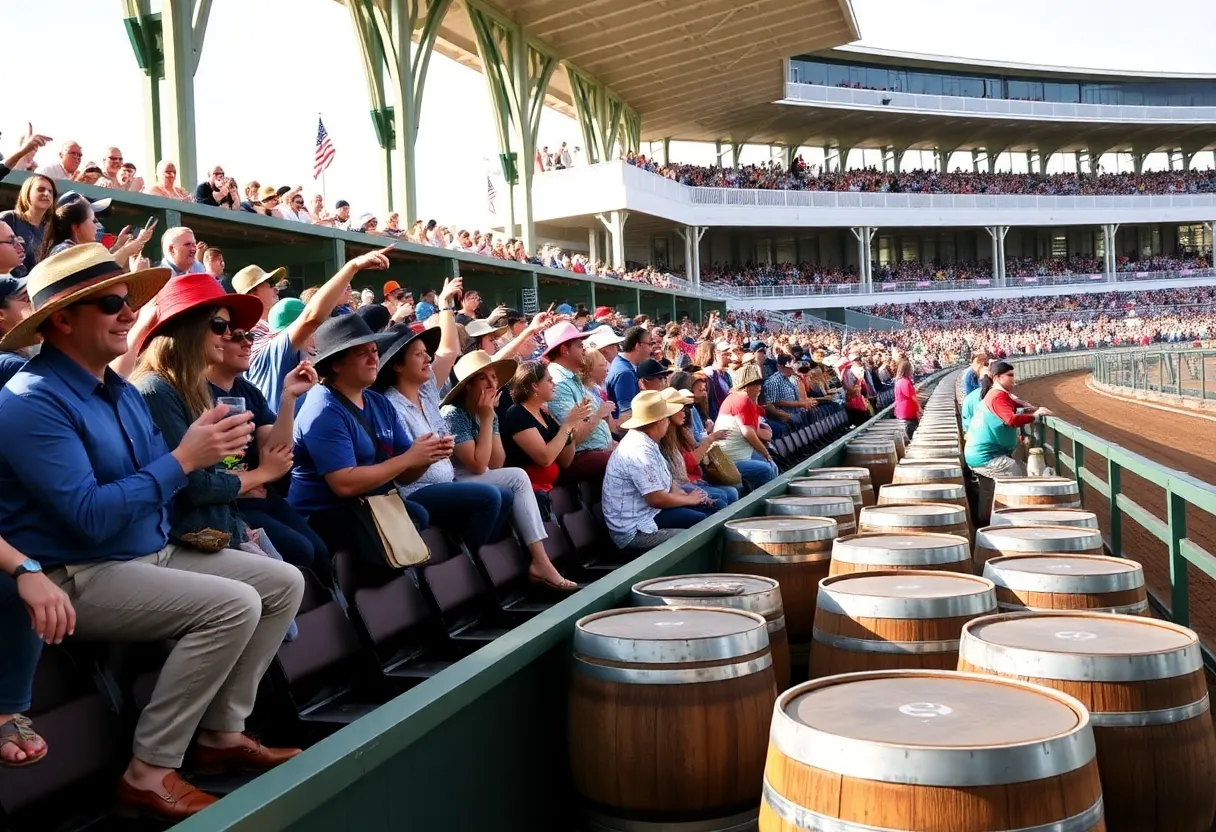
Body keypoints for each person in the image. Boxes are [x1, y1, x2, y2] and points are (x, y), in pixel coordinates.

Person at [0, 244, 304, 820]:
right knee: (234, 605)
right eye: (112, 303)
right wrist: (187, 461)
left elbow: (159, 480)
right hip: (74, 573)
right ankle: (150, 771)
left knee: (283, 582)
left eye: (129, 302)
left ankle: (220, 735)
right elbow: (87, 515)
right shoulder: (30, 400)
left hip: (147, 552)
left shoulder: (117, 391)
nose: (128, 313)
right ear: (61, 320)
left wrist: (205, 456)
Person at [373, 289, 519, 562]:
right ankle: (467, 566)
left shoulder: (426, 390)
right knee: (490, 497)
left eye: (426, 353)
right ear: (398, 367)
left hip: (446, 481)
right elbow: (403, 467)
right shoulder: (388, 404)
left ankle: (476, 560)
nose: (428, 358)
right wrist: (429, 454)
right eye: (419, 355)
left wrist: (445, 306)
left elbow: (449, 349)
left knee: (505, 496)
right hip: (416, 491)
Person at [289, 315, 448, 562]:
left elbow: (405, 476)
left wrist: (426, 456)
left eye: (374, 350)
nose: (374, 358)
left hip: (370, 503)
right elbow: (344, 484)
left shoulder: (378, 402)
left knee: (417, 515)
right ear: (336, 364)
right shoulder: (323, 410)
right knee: (413, 519)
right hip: (326, 513)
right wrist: (409, 458)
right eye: (362, 352)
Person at [202, 288, 328, 579]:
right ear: (218, 342)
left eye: (251, 336)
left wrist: (288, 399)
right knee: (299, 551)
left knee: (319, 550)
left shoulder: (247, 391)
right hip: (229, 505)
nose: (248, 343)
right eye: (238, 337)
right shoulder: (196, 393)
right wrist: (249, 480)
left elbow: (277, 452)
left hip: (260, 494)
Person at [441, 351, 576, 590]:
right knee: (518, 476)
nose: (493, 384)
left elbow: (496, 462)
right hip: (454, 480)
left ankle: (540, 561)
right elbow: (477, 465)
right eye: (483, 378)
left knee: (516, 477)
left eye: (493, 377)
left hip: (479, 476)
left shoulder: (488, 412)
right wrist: (486, 419)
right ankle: (541, 562)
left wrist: (489, 419)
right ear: (468, 385)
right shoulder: (453, 414)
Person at [247, 247, 396, 413]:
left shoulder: (295, 356)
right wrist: (352, 267)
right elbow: (311, 317)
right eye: (317, 327)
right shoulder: (271, 353)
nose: (318, 332)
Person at [602, 390, 714, 552]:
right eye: (666, 419)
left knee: (706, 510)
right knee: (699, 528)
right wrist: (689, 500)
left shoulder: (647, 442)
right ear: (659, 421)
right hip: (635, 531)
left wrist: (687, 496)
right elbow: (656, 499)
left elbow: (667, 481)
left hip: (649, 514)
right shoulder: (639, 450)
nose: (668, 423)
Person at [501, 360, 592, 509]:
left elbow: (565, 461)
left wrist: (571, 429)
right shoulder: (517, 413)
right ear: (534, 385)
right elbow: (545, 458)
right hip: (530, 491)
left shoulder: (544, 413)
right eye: (549, 380)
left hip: (551, 487)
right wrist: (567, 425)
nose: (554, 384)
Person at [544, 322, 615, 483]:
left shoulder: (571, 378)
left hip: (596, 454)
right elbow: (573, 437)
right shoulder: (559, 382)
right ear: (564, 350)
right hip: (581, 457)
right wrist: (598, 416)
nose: (584, 349)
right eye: (579, 345)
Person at [964, 360, 1052, 478]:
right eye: (1009, 375)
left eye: (1013, 375)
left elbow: (1013, 403)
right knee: (1017, 479)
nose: (1013, 379)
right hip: (987, 457)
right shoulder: (997, 396)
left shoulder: (994, 394)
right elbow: (1010, 419)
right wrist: (1035, 415)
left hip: (978, 454)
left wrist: (1031, 407)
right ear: (997, 378)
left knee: (990, 489)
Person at [657, 387, 736, 510]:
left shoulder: (680, 431)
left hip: (694, 479)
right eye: (680, 408)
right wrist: (710, 439)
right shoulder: (664, 440)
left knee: (733, 491)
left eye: (686, 407)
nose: (685, 412)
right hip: (681, 487)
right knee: (724, 496)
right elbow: (688, 464)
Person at [714, 363, 778, 490]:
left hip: (743, 452)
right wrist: (765, 452)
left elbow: (756, 429)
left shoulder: (747, 399)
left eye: (759, 383)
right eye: (754, 383)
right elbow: (748, 433)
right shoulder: (742, 399)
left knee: (773, 466)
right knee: (767, 468)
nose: (758, 387)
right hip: (731, 458)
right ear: (744, 386)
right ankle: (763, 501)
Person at [0, 174, 56, 277]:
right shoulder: (8, 219)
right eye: (41, 189)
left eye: (50, 191)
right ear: (27, 193)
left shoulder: (52, 228)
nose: (46, 194)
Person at [606, 325, 651, 421]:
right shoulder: (625, 373)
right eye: (649, 344)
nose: (650, 349)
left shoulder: (622, 364)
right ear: (638, 346)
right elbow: (626, 416)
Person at [893, 358, 920, 440]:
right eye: (910, 369)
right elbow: (912, 397)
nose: (912, 370)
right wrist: (920, 408)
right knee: (911, 433)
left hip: (901, 412)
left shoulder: (898, 381)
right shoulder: (905, 382)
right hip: (908, 412)